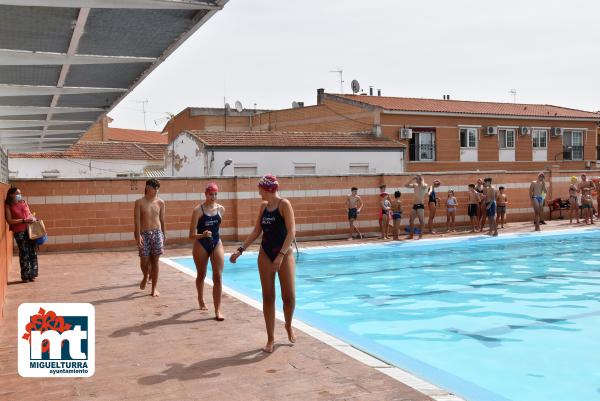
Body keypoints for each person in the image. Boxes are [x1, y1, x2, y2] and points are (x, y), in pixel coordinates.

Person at [229, 175, 296, 353]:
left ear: (267, 189)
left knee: (289, 297)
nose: (258, 192)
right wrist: (240, 250)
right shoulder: (263, 206)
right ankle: (271, 338)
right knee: (268, 296)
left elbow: (291, 232)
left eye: (260, 188)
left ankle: (288, 325)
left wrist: (281, 256)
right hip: (265, 253)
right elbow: (257, 231)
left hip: (284, 252)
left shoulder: (284, 205)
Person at [189, 183, 226, 320]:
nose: (213, 196)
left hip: (216, 242)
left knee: (218, 276)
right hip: (201, 243)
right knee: (201, 274)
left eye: (216, 194)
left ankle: (217, 310)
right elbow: (191, 234)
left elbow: (217, 228)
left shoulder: (221, 209)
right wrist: (203, 235)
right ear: (206, 194)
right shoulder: (198, 210)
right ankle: (200, 298)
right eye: (211, 194)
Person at [134, 179, 166, 297]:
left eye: (158, 188)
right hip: (144, 234)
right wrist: (138, 236)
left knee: (155, 261)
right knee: (144, 260)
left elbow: (162, 220)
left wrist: (164, 233)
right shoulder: (139, 202)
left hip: (157, 233)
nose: (156, 190)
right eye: (154, 188)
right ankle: (145, 275)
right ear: (147, 188)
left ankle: (154, 288)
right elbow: (136, 220)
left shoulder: (160, 202)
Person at [5, 187, 38, 282]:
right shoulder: (8, 205)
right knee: (24, 253)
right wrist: (24, 220)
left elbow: (29, 213)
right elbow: (9, 220)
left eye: (20, 193)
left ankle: (32, 274)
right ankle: (25, 276)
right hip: (19, 232)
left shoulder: (23, 202)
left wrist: (32, 217)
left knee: (32, 251)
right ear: (11, 194)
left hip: (30, 230)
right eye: (17, 193)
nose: (20, 195)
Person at [405, 175, 428, 239]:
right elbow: (406, 185)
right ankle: (411, 234)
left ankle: (420, 235)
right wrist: (412, 178)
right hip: (415, 205)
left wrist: (422, 179)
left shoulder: (424, 185)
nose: (416, 180)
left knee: (421, 221)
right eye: (416, 179)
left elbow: (423, 185)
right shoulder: (415, 185)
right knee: (411, 220)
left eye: (417, 179)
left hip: (420, 205)